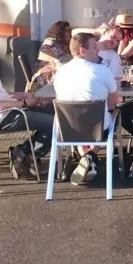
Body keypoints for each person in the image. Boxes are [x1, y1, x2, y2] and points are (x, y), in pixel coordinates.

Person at [0, 27, 54, 179]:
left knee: (50, 111)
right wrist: (25, 103)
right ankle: (25, 154)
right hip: (1, 118)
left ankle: (24, 153)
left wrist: (25, 94)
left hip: (5, 113)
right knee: (56, 123)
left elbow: (0, 94)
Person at [53, 33, 122, 186]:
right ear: (83, 50)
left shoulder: (60, 73)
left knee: (79, 121)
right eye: (95, 47)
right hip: (96, 127)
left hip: (68, 128)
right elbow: (112, 104)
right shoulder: (102, 71)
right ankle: (90, 155)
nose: (98, 50)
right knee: (112, 117)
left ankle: (86, 159)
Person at [32, 21, 72, 88]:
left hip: (57, 76)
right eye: (67, 31)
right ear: (60, 32)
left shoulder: (64, 44)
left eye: (70, 31)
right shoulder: (49, 44)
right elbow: (64, 61)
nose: (70, 34)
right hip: (43, 80)